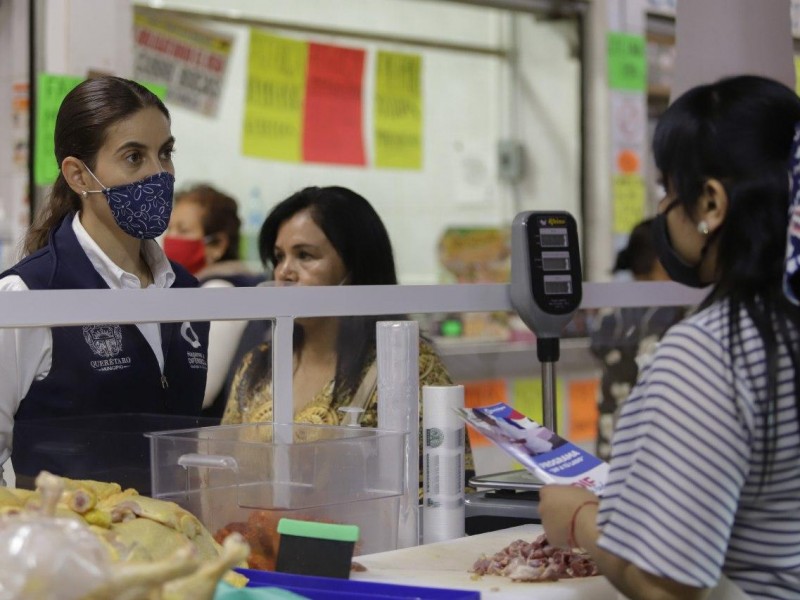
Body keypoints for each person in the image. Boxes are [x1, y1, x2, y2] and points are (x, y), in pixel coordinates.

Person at [540, 75, 800, 600]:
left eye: (668, 189)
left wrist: (578, 521)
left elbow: (668, 588)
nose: (662, 210)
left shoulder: (709, 355)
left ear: (710, 203)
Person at [0, 76, 209, 486]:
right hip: (70, 544)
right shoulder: (30, 295)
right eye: (134, 157)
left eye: (164, 153)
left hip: (175, 541)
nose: (159, 174)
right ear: (79, 176)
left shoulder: (185, 291)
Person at [222, 185, 475, 493]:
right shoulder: (259, 364)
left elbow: (442, 490)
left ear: (354, 268)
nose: (285, 272)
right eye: (279, 257)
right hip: (252, 536)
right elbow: (222, 472)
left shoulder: (402, 364)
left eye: (305, 256)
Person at [163, 183, 265, 416]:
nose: (171, 238)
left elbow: (201, 390)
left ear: (217, 245)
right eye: (169, 229)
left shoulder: (219, 291)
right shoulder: (194, 288)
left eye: (184, 230)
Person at [589, 218, 685, 461]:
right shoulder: (670, 311)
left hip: (610, 442)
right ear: (662, 259)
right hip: (654, 449)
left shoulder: (613, 310)